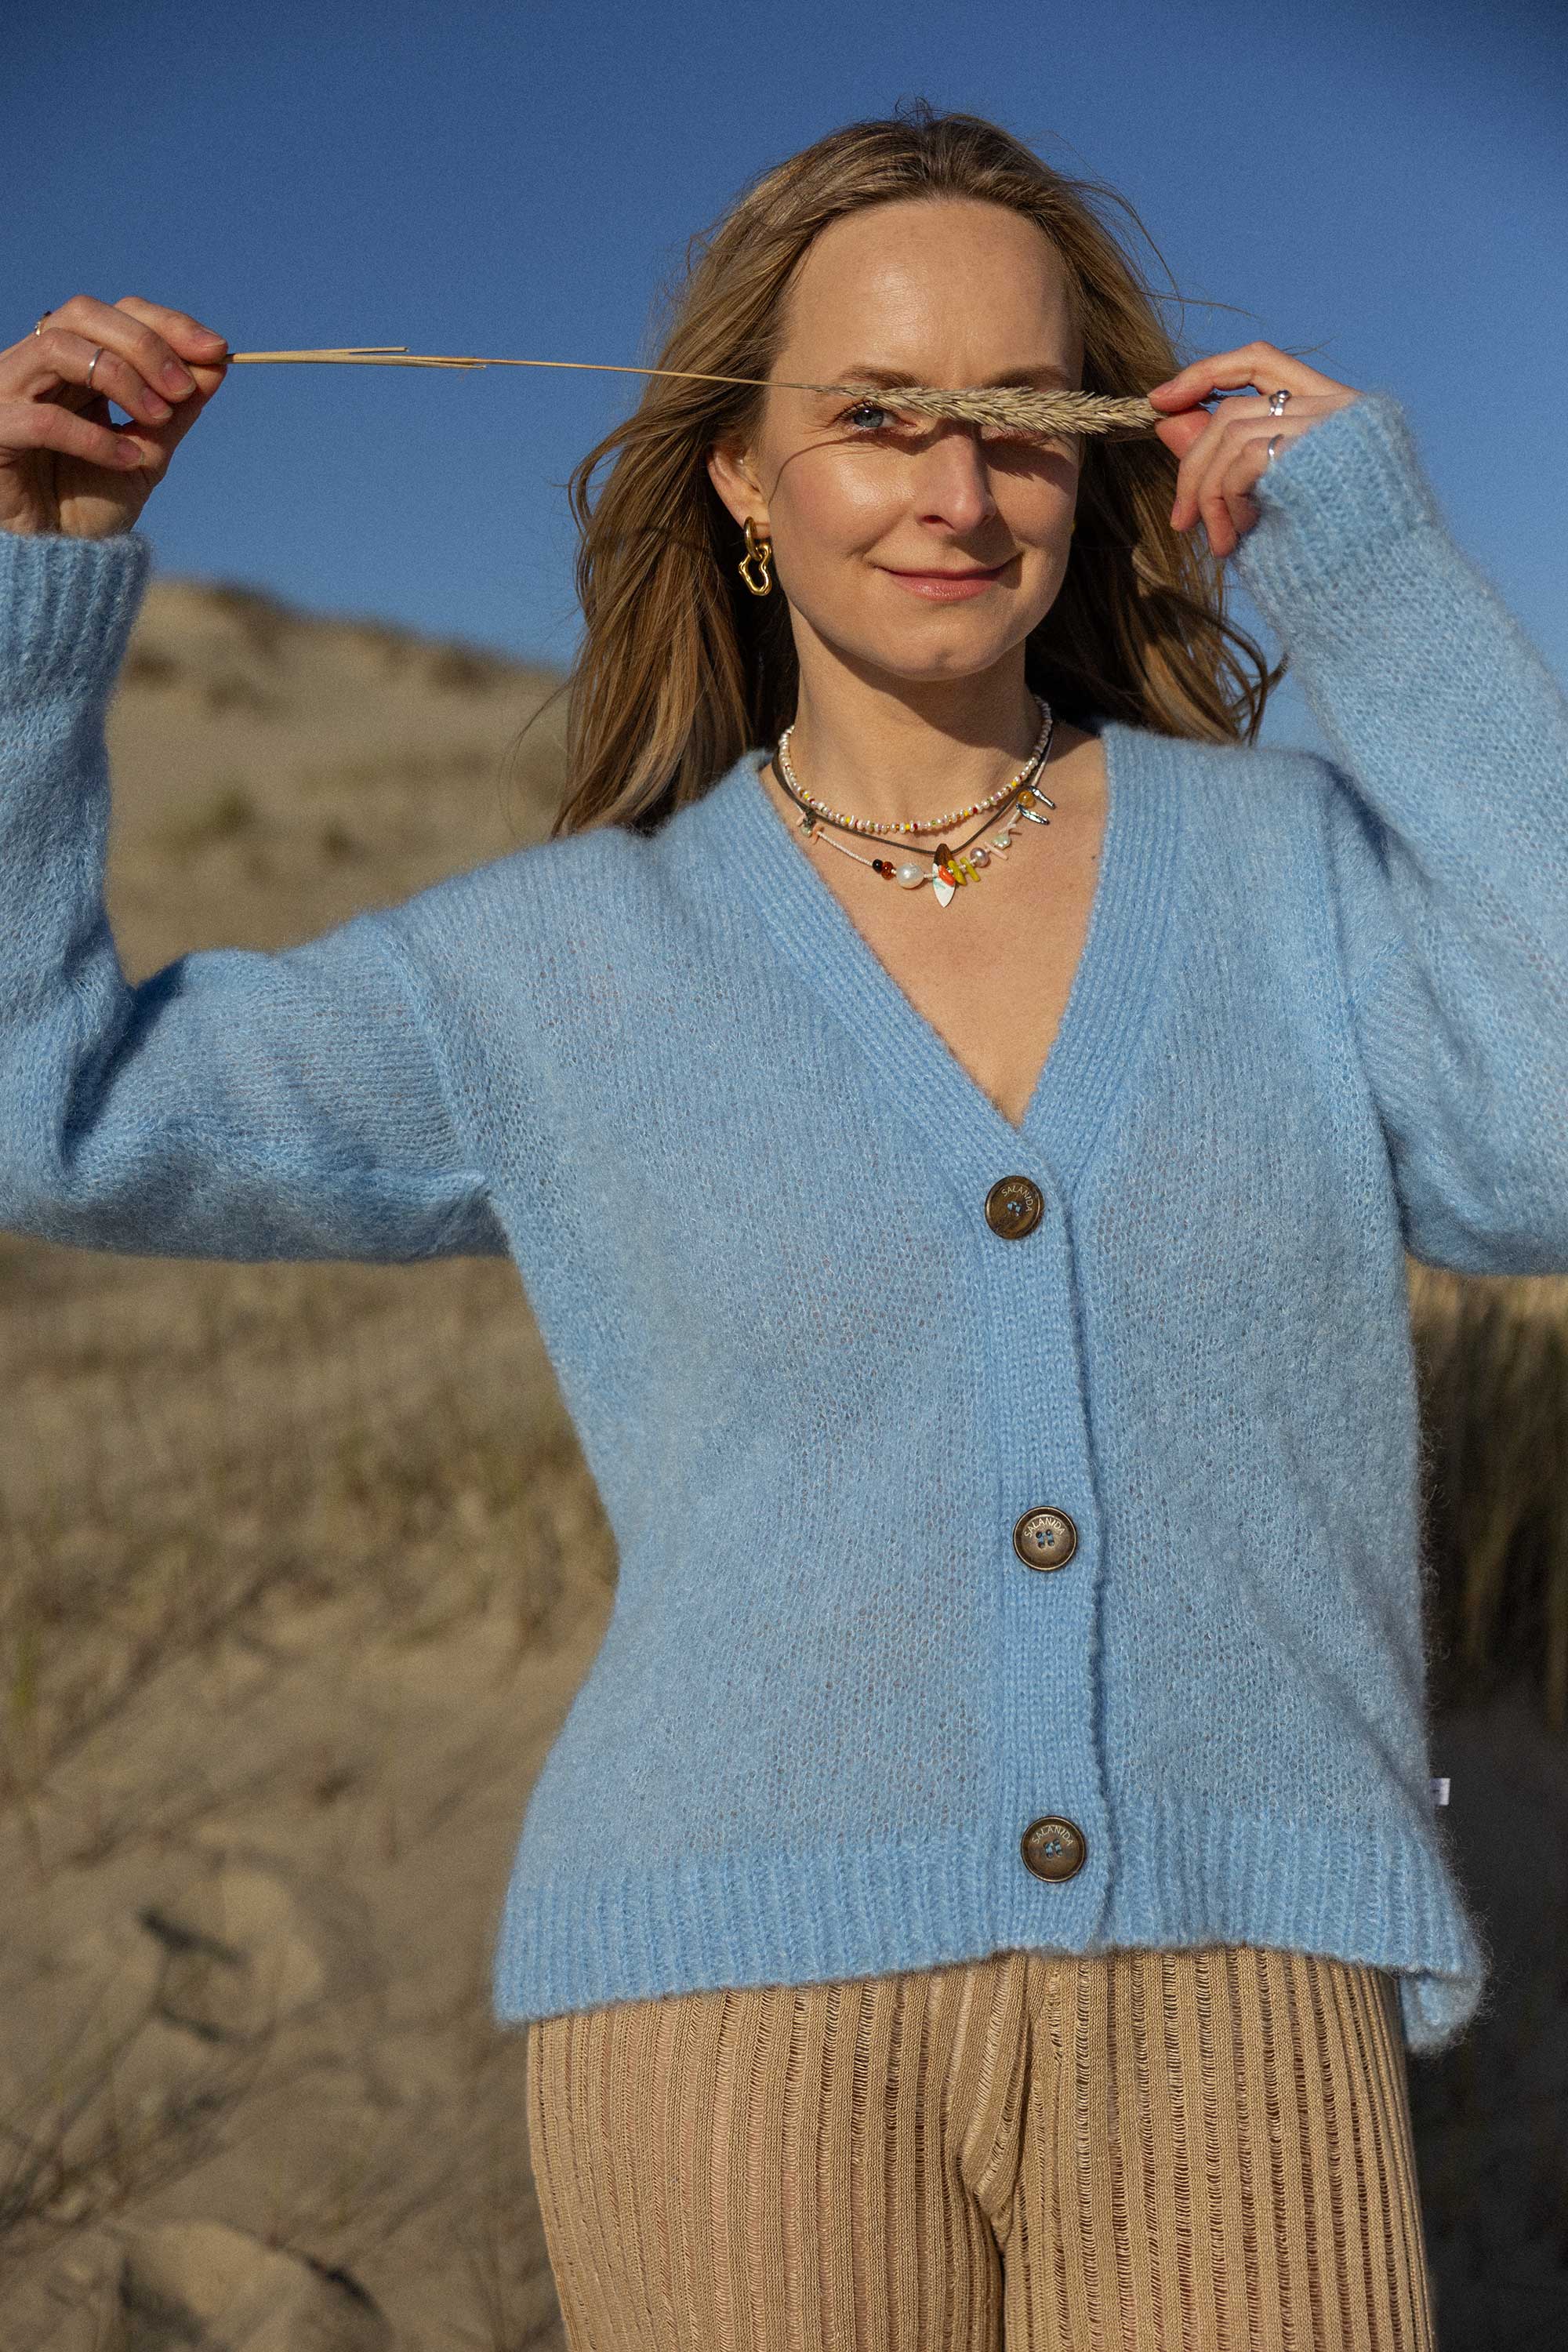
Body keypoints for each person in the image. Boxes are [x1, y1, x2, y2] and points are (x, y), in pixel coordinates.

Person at [5, 99, 1566, 2351]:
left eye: (1019, 421)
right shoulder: (553, 969)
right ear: (743, 472)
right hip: (726, 2025)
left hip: (1244, 1999)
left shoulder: (1287, 874)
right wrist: (30, 593)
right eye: (879, 417)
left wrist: (1383, 580)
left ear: (1099, 461)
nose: (958, 492)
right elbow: (50, 1113)